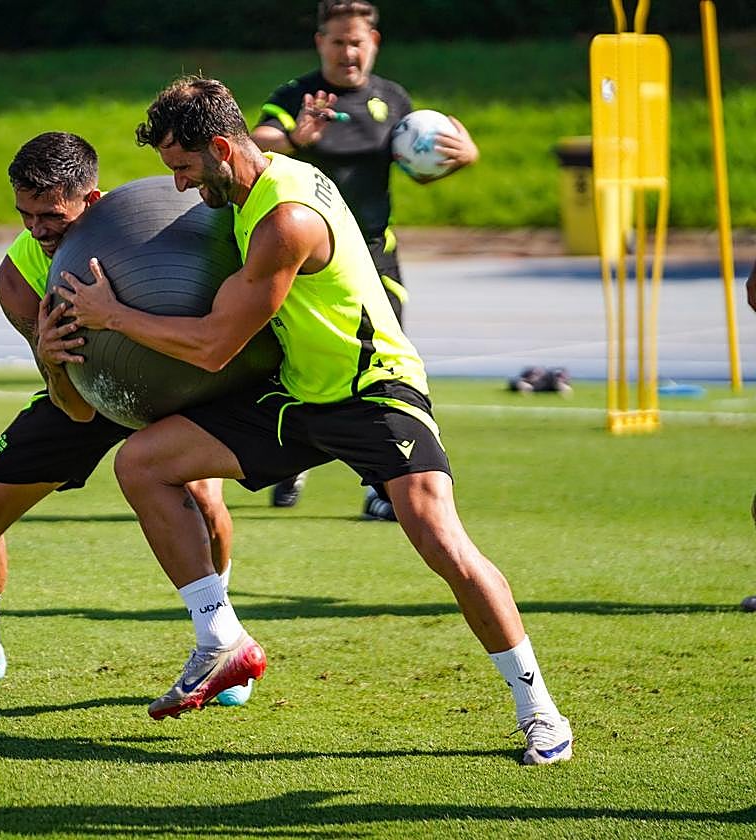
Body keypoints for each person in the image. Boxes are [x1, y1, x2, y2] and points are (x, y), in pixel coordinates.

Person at [56, 76, 572, 764]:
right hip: (298, 392)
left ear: (217, 148)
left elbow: (213, 346)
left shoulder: (285, 219)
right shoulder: (264, 175)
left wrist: (112, 317)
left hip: (373, 390)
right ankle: (220, 639)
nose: (177, 186)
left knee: (441, 540)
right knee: (143, 462)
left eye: (182, 168)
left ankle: (540, 711)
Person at [0, 131, 252, 706]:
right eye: (25, 215)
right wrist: (51, 358)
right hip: (88, 388)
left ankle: (222, 648)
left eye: (51, 214)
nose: (38, 230)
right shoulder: (17, 281)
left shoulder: (159, 230)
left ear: (94, 201)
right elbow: (75, 407)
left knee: (204, 500)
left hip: (179, 379)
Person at [252, 0, 479, 514]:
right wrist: (293, 139)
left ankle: (383, 487)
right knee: (296, 364)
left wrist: (465, 156)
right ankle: (289, 462)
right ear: (320, 44)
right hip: (305, 260)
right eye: (337, 41)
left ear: (373, 42)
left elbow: (427, 154)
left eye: (357, 41)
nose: (347, 52)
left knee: (381, 373)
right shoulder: (298, 97)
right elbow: (257, 140)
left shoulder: (393, 100)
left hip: (375, 256)